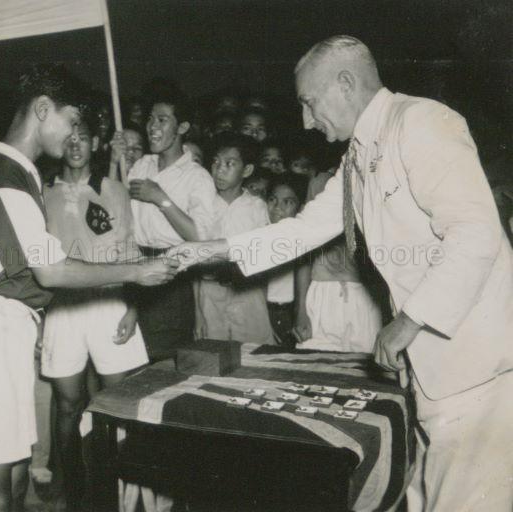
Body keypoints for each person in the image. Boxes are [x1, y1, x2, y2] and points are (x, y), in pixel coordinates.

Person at [170, 35, 513, 512]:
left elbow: (476, 234)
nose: (306, 120)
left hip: (476, 367)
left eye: (310, 102)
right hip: (435, 371)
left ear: (346, 83)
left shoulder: (421, 122)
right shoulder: (356, 157)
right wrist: (214, 250)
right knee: (421, 496)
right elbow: (305, 229)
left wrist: (409, 321)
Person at [0, 64, 178, 512]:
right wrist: (137, 271)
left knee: (13, 478)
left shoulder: (17, 171)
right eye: (71, 121)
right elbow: (50, 270)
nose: (71, 136)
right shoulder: (3, 171)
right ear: (43, 109)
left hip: (5, 328)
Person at [41, 116, 149, 508]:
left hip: (108, 302)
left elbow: (130, 250)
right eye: (69, 138)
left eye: (83, 138)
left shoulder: (113, 190)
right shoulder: (42, 193)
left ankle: (117, 491)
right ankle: (72, 490)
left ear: (95, 144)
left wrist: (132, 307)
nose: (75, 145)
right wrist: (39, 316)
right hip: (63, 307)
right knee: (68, 404)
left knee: (118, 402)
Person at [126, 85, 215, 361]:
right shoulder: (141, 165)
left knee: (163, 363)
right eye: (150, 119)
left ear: (182, 127)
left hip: (172, 275)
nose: (152, 126)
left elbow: (201, 238)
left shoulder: (197, 177)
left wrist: (160, 198)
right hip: (134, 269)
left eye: (162, 120)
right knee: (130, 360)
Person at [293, 159, 382, 353]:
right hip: (323, 292)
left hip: (367, 295)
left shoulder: (378, 176)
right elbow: (304, 252)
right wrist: (300, 310)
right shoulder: (320, 183)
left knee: (368, 364)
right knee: (312, 362)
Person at [196, 133, 273, 344]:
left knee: (254, 351)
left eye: (229, 164)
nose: (219, 170)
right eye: (216, 162)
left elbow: (263, 257)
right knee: (213, 350)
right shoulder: (203, 204)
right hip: (210, 290)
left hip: (247, 290)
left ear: (247, 170)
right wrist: (197, 311)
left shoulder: (257, 207)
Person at [265, 176, 302, 348]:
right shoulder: (258, 235)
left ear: (300, 207)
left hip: (292, 312)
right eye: (273, 200)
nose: (277, 207)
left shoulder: (303, 239)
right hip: (264, 310)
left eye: (287, 202)